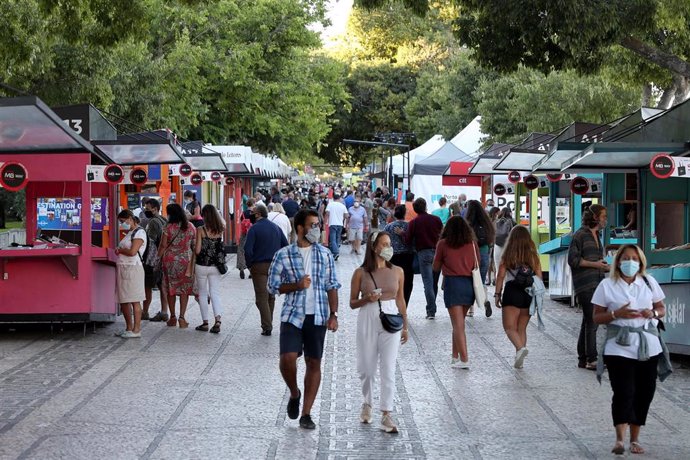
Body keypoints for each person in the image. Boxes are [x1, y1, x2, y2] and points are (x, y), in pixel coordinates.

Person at [592, 244, 671, 456]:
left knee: (645, 393)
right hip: (618, 347)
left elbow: (662, 308)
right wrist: (616, 314)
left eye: (634, 258)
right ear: (618, 261)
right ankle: (620, 439)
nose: (630, 262)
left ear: (641, 261)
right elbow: (597, 316)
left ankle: (635, 439)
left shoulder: (649, 281)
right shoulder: (607, 285)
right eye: (626, 258)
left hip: (648, 346)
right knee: (624, 391)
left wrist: (652, 313)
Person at [268, 209, 341, 430]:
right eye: (313, 225)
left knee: (313, 362)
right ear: (300, 228)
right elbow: (271, 286)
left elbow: (332, 285)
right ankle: (294, 392)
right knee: (287, 358)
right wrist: (296, 285)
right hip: (292, 314)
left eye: (318, 224)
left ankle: (307, 414)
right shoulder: (283, 254)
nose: (317, 229)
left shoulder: (325, 254)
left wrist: (334, 314)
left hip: (317, 316)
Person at [350, 231, 409, 433]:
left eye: (389, 243)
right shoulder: (360, 273)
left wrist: (406, 325)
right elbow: (351, 303)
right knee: (366, 368)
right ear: (374, 247)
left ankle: (386, 413)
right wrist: (367, 299)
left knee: (388, 368)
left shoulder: (398, 271)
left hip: (391, 317)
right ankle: (367, 401)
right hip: (368, 315)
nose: (388, 247)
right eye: (384, 244)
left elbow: (400, 299)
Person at [432, 216, 479, 369]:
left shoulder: (443, 244)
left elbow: (435, 267)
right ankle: (454, 356)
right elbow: (477, 262)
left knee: (458, 325)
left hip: (453, 284)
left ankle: (464, 359)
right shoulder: (472, 244)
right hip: (469, 285)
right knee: (458, 322)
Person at [494, 225, 543, 368]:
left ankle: (520, 349)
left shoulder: (508, 254)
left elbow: (500, 276)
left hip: (512, 292)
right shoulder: (533, 255)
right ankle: (519, 359)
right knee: (521, 328)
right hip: (528, 294)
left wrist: (497, 294)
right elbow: (539, 277)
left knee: (509, 328)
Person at [568, 204, 609, 370]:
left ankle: (583, 358)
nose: (606, 220)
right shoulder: (580, 235)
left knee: (588, 320)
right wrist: (596, 265)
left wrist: (604, 267)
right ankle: (592, 358)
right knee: (593, 320)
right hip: (585, 284)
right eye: (604, 216)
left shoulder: (597, 236)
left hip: (597, 283)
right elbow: (573, 260)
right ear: (595, 217)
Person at [245, 204, 289, 335]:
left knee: (261, 297)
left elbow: (247, 250)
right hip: (275, 266)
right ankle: (268, 323)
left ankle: (267, 326)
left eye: (252, 212)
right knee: (271, 296)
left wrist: (249, 264)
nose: (250, 215)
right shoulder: (276, 228)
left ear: (258, 214)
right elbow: (285, 246)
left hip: (258, 266)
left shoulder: (254, 229)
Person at [399, 198, 443, 319]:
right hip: (438, 252)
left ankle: (431, 311)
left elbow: (407, 240)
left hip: (423, 253)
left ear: (415, 209)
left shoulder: (414, 222)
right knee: (434, 282)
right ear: (425, 206)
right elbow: (442, 234)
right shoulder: (436, 219)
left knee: (427, 283)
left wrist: (402, 233)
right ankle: (432, 307)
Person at [158, 203, 196, 328]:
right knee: (184, 289)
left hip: (169, 262)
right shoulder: (190, 226)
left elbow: (163, 245)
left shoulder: (167, 227)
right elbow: (194, 245)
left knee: (170, 289)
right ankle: (182, 317)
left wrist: (158, 257)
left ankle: (172, 317)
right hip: (186, 261)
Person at [114, 210, 147, 338]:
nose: (122, 224)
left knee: (134, 299)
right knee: (124, 300)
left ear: (129, 219)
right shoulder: (130, 233)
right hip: (124, 268)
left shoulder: (139, 232)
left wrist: (120, 250)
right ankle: (128, 328)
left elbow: (133, 251)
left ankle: (136, 329)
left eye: (123, 221)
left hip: (133, 269)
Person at [194, 205, 226, 334]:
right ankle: (217, 320)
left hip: (202, 265)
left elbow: (197, 250)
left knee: (202, 293)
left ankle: (205, 323)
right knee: (215, 293)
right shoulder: (221, 229)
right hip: (216, 266)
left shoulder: (200, 229)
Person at [465, 200, 495, 317]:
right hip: (484, 254)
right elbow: (491, 240)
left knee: (470, 281)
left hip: (472, 255)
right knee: (480, 281)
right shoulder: (487, 223)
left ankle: (470, 309)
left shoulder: (468, 223)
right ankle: (485, 300)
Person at [141, 199, 169, 322]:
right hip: (164, 257)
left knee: (148, 285)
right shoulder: (164, 220)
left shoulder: (152, 222)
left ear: (155, 209)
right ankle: (164, 311)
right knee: (162, 286)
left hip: (152, 259)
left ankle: (145, 311)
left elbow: (150, 241)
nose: (146, 210)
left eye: (148, 209)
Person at [384, 205, 414, 305]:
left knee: (394, 281)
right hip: (408, 257)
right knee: (407, 282)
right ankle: (404, 303)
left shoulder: (389, 226)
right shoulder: (409, 226)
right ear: (405, 213)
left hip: (393, 257)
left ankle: (395, 301)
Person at [494, 208, 516, 280]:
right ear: (510, 213)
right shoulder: (513, 222)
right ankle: (507, 287)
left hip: (498, 245)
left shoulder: (496, 222)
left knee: (498, 268)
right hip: (509, 246)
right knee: (509, 269)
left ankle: (499, 288)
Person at [325, 194, 348, 261]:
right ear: (339, 198)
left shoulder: (330, 204)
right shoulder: (342, 206)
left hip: (332, 223)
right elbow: (347, 215)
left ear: (333, 198)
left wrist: (325, 222)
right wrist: (342, 217)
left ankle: (335, 252)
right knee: (338, 238)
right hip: (340, 224)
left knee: (332, 239)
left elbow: (327, 213)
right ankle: (336, 250)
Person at [237, 198, 254, 280]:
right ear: (253, 204)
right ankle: (251, 271)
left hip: (244, 234)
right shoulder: (254, 213)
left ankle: (241, 267)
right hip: (252, 234)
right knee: (251, 251)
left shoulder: (243, 213)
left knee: (241, 250)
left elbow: (241, 222)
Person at [486, 206, 501, 286]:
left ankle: (488, 278)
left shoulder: (488, 221)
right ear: (496, 213)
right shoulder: (497, 221)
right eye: (499, 212)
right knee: (494, 262)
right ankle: (495, 279)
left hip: (489, 243)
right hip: (495, 243)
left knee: (489, 262)